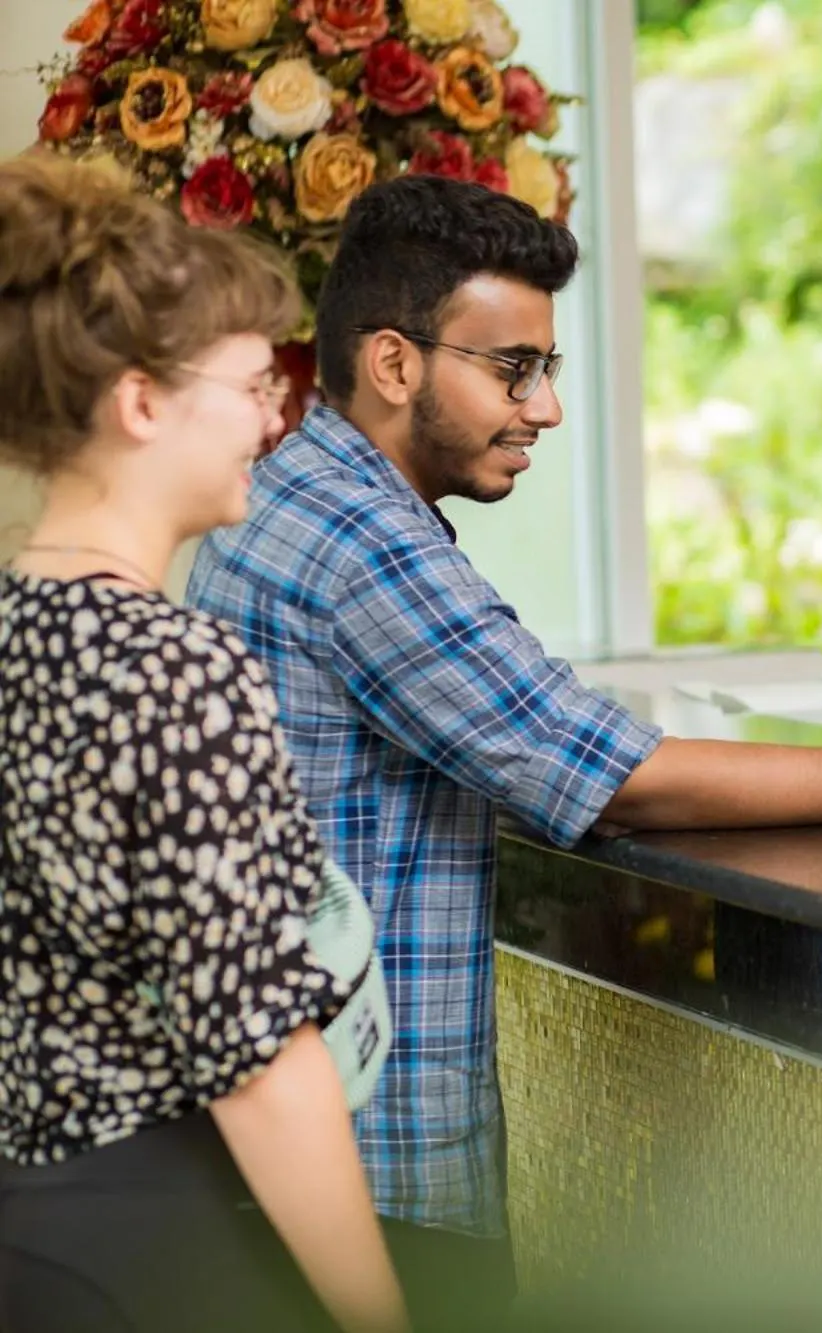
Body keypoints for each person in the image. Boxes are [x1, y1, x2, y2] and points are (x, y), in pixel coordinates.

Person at [184, 173, 822, 1324]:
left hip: (311, 1145)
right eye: (512, 369)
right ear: (394, 363)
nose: (545, 409)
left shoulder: (303, 492)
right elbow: (618, 777)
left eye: (546, 369)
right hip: (366, 1169)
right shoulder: (359, 540)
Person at [0, 156, 406, 1331]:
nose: (274, 417)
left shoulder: (18, 630)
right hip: (159, 1243)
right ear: (140, 403)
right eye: (247, 384)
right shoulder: (175, 663)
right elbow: (259, 1061)